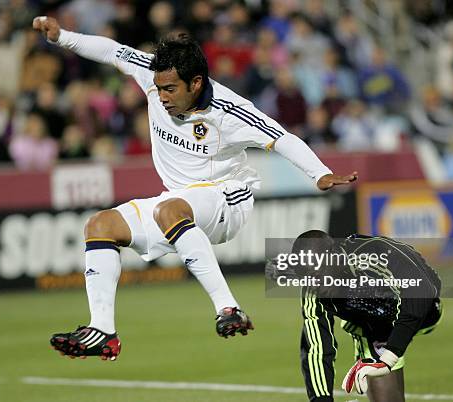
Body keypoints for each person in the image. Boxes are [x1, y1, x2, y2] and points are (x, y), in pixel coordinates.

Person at [32, 16, 357, 362]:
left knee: (170, 209)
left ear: (196, 82)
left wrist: (319, 173)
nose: (161, 97)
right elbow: (113, 51)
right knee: (100, 225)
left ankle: (228, 308)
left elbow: (282, 138)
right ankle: (103, 331)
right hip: (179, 201)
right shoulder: (154, 76)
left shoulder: (231, 112)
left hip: (228, 199)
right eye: (158, 88)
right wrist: (62, 36)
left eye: (170, 89)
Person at [270, 230, 442, 402]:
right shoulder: (312, 289)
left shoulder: (374, 254)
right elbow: (317, 349)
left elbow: (423, 291)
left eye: (319, 276)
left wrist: (390, 356)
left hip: (426, 310)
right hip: (374, 329)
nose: (317, 286)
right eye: (309, 279)